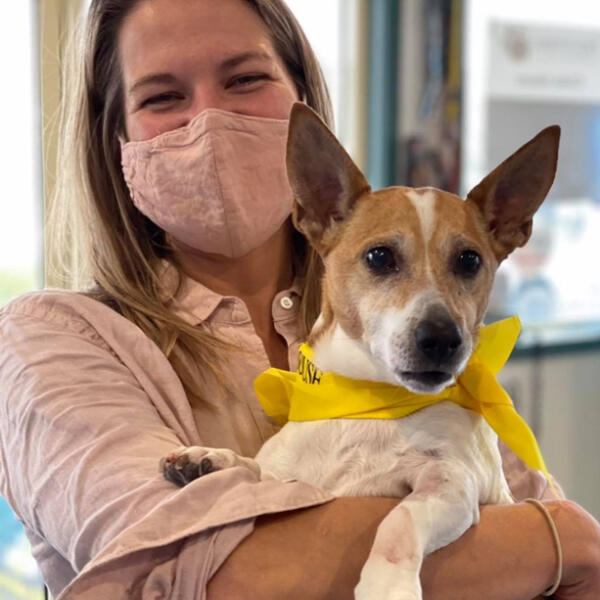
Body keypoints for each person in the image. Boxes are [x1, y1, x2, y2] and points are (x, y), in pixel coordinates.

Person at [0, 0, 599, 598]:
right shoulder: (54, 341)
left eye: (244, 78)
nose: (209, 118)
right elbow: (203, 579)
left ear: (301, 96)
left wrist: (564, 546)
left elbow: (585, 574)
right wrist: (556, 540)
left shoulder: (451, 385)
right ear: (116, 136)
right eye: (161, 96)